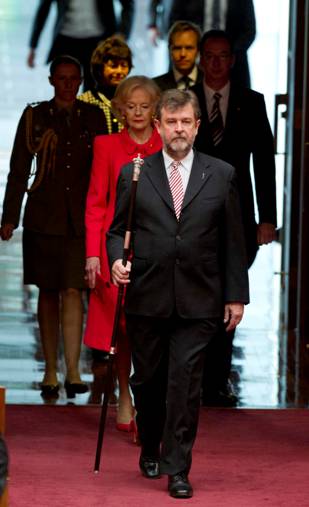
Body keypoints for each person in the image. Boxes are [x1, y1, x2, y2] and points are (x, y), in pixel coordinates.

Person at [106, 89, 249, 498]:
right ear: (158, 126)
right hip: (147, 294)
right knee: (149, 382)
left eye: (186, 122)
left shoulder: (221, 174)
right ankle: (150, 443)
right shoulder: (135, 172)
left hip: (200, 296)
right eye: (171, 123)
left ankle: (178, 467)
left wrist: (235, 295)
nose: (179, 130)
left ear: (197, 126)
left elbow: (232, 242)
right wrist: (117, 259)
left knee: (185, 384)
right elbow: (117, 230)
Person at [0, 55, 107, 400]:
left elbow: (104, 170)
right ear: (51, 80)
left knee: (75, 291)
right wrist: (9, 217)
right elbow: (18, 168)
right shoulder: (34, 116)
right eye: (61, 78)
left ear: (79, 81)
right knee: (47, 291)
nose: (67, 84)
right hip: (44, 215)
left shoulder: (93, 116)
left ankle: (74, 369)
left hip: (81, 217)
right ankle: (50, 368)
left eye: (73, 78)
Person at [191, 30, 277, 406]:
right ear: (199, 59)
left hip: (240, 216)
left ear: (233, 60)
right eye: (209, 56)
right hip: (192, 216)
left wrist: (267, 218)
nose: (215, 63)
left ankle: (218, 379)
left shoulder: (251, 102)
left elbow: (265, 164)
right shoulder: (185, 101)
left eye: (223, 56)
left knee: (230, 296)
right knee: (196, 297)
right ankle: (193, 378)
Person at [84, 76, 162, 432]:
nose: (138, 113)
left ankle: (147, 400)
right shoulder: (105, 146)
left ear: (155, 109)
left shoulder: (166, 144)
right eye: (130, 107)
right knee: (122, 329)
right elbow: (96, 203)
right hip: (116, 251)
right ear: (119, 110)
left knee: (151, 329)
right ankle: (125, 396)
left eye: (145, 107)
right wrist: (93, 255)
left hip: (157, 252)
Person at [27, 0, 134, 90]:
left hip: (98, 42)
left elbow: (128, 4)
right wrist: (33, 47)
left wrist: (122, 33)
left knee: (93, 91)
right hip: (66, 39)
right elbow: (43, 9)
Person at [149, 0, 256, 87]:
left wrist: (225, 55)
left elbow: (249, 31)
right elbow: (175, 23)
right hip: (192, 62)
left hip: (233, 67)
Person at [78, 37, 133, 134]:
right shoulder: (83, 103)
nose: (119, 71)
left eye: (123, 65)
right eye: (113, 66)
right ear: (100, 67)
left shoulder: (136, 102)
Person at [153, 21, 203, 91]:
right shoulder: (154, 87)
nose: (183, 54)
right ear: (169, 50)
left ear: (198, 50)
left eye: (189, 48)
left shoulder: (212, 83)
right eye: (177, 48)